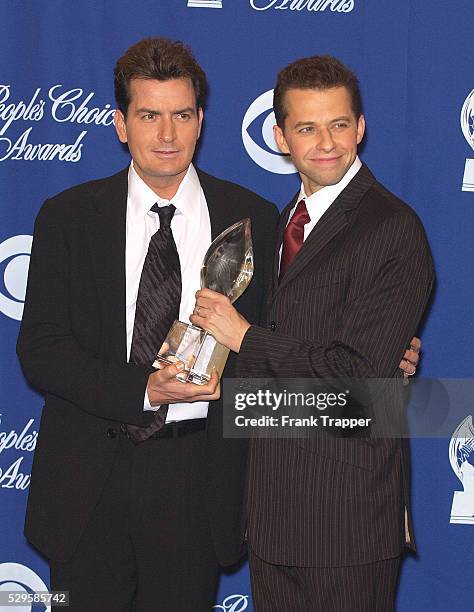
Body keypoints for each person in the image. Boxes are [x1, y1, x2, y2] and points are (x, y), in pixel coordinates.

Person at [16, 37, 279, 611]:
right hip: (88, 481)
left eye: (181, 115)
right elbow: (40, 348)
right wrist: (142, 389)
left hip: (197, 479)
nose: (167, 135)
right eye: (149, 115)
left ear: (201, 121)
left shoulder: (253, 217)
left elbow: (277, 340)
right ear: (120, 124)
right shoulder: (67, 217)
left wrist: (380, 353)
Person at [191, 55, 434, 611]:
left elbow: (357, 382)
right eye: (306, 127)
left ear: (361, 128)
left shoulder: (393, 228)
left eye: (339, 124)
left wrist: (243, 337)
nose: (325, 142)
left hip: (345, 517)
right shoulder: (279, 225)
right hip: (271, 513)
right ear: (280, 137)